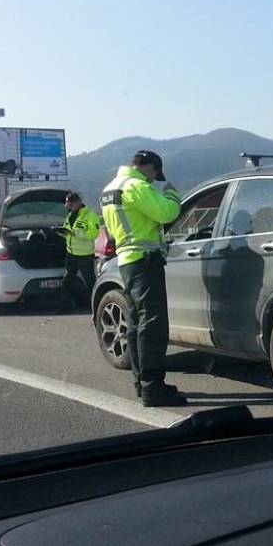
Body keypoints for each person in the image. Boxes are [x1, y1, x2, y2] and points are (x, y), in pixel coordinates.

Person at [100, 150, 185, 406]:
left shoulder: (109, 189)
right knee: (153, 324)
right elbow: (167, 213)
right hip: (145, 261)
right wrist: (170, 194)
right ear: (150, 168)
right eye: (155, 175)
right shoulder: (136, 186)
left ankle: (141, 383)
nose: (154, 180)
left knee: (137, 323)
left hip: (127, 261)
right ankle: (153, 388)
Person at [55, 192, 100, 313]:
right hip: (71, 254)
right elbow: (68, 231)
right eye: (68, 205)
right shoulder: (70, 215)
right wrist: (62, 233)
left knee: (90, 282)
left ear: (77, 202)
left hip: (85, 255)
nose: (69, 207)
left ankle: (96, 308)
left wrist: (77, 234)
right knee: (67, 282)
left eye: (70, 204)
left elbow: (94, 234)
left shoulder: (90, 215)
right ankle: (64, 307)